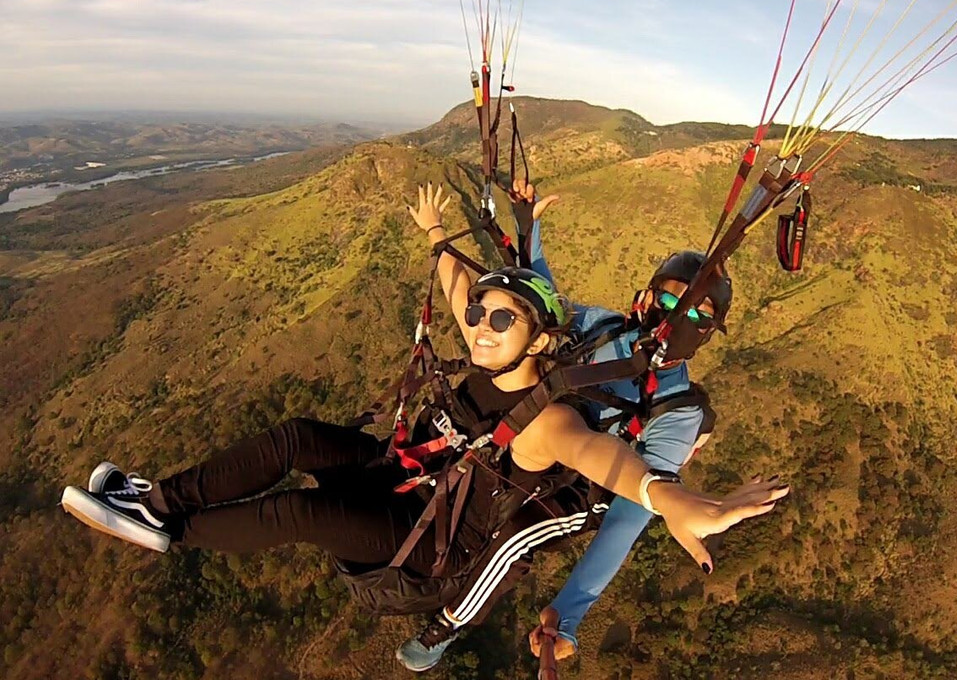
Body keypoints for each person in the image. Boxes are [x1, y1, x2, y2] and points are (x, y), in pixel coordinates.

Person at [60, 183, 786, 657]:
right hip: (422, 468)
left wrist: (673, 504)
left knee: (306, 514)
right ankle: (155, 499)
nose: (480, 324)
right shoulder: (574, 331)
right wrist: (467, 234)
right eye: (662, 298)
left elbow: (611, 470)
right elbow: (518, 295)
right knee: (298, 438)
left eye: (689, 311)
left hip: (452, 524)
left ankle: (169, 531)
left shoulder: (578, 415)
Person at [396, 181, 746, 671]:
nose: (677, 322)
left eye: (696, 317)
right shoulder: (605, 327)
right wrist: (528, 228)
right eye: (669, 304)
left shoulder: (678, 409)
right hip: (538, 433)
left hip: (584, 486)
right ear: (645, 299)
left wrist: (568, 617)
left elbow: (626, 519)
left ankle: (447, 625)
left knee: (518, 532)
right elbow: (547, 305)